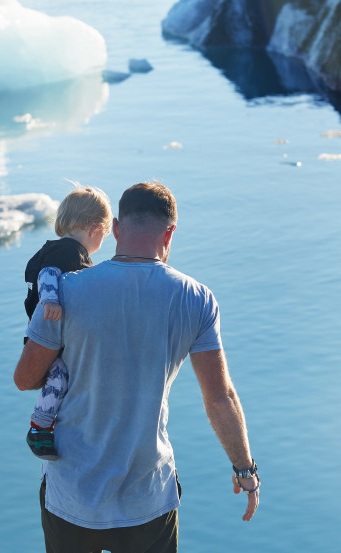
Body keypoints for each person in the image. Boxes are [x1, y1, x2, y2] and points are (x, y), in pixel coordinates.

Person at [14, 181, 259, 552]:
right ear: (170, 232)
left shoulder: (66, 290)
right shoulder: (196, 298)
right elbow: (219, 396)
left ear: (115, 228)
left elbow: (25, 378)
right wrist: (245, 470)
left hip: (71, 495)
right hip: (148, 498)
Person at [23, 186, 113, 460]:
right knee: (60, 377)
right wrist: (50, 299)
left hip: (40, 333)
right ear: (96, 229)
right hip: (50, 334)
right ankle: (39, 428)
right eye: (104, 236)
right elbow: (49, 275)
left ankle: (46, 424)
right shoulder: (70, 253)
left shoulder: (48, 249)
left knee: (60, 379)